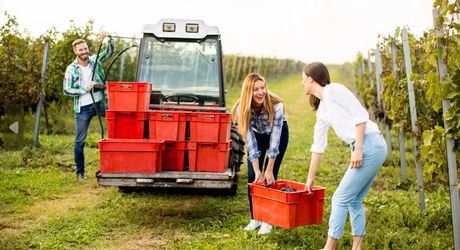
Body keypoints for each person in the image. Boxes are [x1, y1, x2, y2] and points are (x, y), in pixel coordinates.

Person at [302, 62, 387, 250]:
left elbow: (360, 115)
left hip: (368, 144)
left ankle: (329, 248)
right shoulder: (322, 108)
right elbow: (318, 145)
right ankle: (357, 248)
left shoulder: (334, 90)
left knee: (340, 198)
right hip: (368, 145)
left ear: (310, 78)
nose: (302, 83)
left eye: (303, 79)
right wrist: (310, 177)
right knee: (354, 200)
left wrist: (358, 150)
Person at [231, 73, 289, 235]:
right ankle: (256, 217)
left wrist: (268, 169)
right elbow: (250, 141)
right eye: (256, 89)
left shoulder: (277, 105)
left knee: (271, 177)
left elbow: (275, 141)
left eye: (262, 88)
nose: (260, 92)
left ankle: (267, 221)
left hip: (277, 134)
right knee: (252, 178)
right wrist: (257, 170)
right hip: (257, 135)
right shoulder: (241, 108)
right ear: (248, 92)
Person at [63, 32, 114, 180]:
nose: (84, 51)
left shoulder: (94, 61)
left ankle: (116, 162)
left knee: (117, 120)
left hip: (100, 103)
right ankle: (80, 172)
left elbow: (109, 52)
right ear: (75, 52)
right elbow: (67, 90)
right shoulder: (71, 69)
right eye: (81, 50)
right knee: (79, 141)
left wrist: (108, 38)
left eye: (85, 48)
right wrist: (85, 89)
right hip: (83, 108)